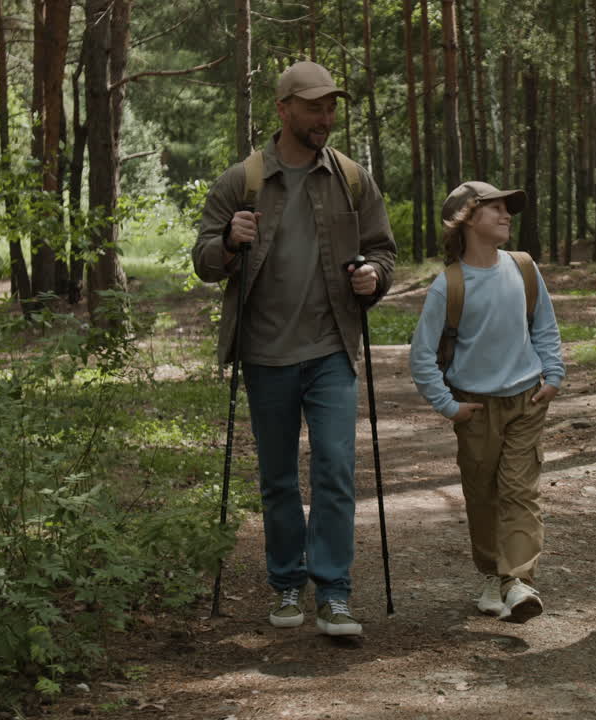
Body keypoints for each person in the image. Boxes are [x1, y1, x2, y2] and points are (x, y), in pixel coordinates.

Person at [192, 60, 397, 638]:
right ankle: (285, 581)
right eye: (313, 107)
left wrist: (373, 280)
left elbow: (383, 249)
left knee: (334, 469)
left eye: (331, 107)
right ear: (283, 109)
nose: (325, 118)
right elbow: (204, 258)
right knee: (279, 477)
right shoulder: (245, 180)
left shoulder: (352, 179)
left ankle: (332, 592)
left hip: (332, 347)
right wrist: (229, 241)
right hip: (264, 351)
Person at [408, 181, 565, 623]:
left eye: (507, 209)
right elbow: (421, 356)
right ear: (466, 220)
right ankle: (490, 575)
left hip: (526, 399)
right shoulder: (449, 285)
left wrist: (552, 375)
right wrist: (448, 405)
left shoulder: (523, 267)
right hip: (473, 407)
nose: (505, 215)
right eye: (493, 208)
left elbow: (544, 326)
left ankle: (516, 581)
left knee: (520, 491)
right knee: (482, 494)